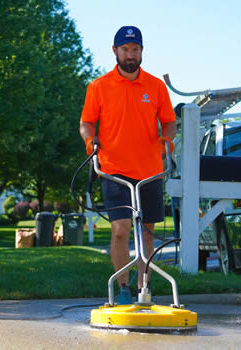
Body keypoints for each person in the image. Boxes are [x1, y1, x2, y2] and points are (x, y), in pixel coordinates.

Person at [79, 26, 177, 305]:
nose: (130, 55)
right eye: (125, 50)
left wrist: (166, 142)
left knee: (147, 232)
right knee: (121, 229)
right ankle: (123, 286)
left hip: (149, 170)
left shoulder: (156, 86)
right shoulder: (98, 87)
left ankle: (143, 288)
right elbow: (86, 123)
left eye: (135, 50)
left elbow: (169, 122)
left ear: (142, 51)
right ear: (115, 51)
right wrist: (91, 142)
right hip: (114, 169)